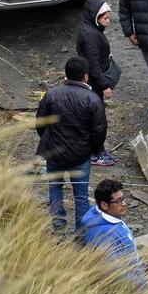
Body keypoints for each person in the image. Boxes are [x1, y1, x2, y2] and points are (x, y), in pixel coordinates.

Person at [36, 57, 107, 232]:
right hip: (81, 154)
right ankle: (81, 233)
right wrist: (94, 149)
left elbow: (40, 123)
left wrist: (49, 140)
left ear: (66, 75)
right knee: (81, 195)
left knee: (55, 187)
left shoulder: (51, 94)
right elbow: (99, 130)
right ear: (86, 76)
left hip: (54, 152)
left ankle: (58, 226)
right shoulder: (92, 98)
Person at [76, 0, 118, 166]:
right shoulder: (91, 35)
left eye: (109, 17)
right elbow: (92, 63)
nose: (108, 21)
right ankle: (95, 153)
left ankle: (98, 150)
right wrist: (105, 85)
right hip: (95, 83)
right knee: (97, 120)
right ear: (95, 16)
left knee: (96, 119)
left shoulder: (91, 29)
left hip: (93, 81)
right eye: (105, 18)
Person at [81, 179, 146, 287]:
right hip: (129, 289)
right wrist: (140, 289)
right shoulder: (105, 235)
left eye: (124, 198)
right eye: (118, 201)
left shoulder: (107, 217)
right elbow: (114, 272)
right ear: (104, 205)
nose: (124, 204)